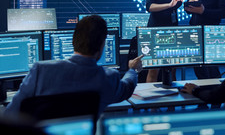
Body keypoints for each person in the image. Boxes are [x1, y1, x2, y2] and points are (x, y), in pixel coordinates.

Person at [5, 15, 143, 115]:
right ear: (102, 46)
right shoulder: (107, 78)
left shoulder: (40, 71)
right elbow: (127, 88)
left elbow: (11, 113)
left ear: (73, 41)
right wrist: (132, 70)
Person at [142, 0, 187, 82]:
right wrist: (169, 5)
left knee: (172, 68)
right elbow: (149, 6)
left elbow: (177, 6)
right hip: (155, 27)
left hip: (172, 28)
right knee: (153, 69)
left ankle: (172, 99)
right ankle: (150, 100)